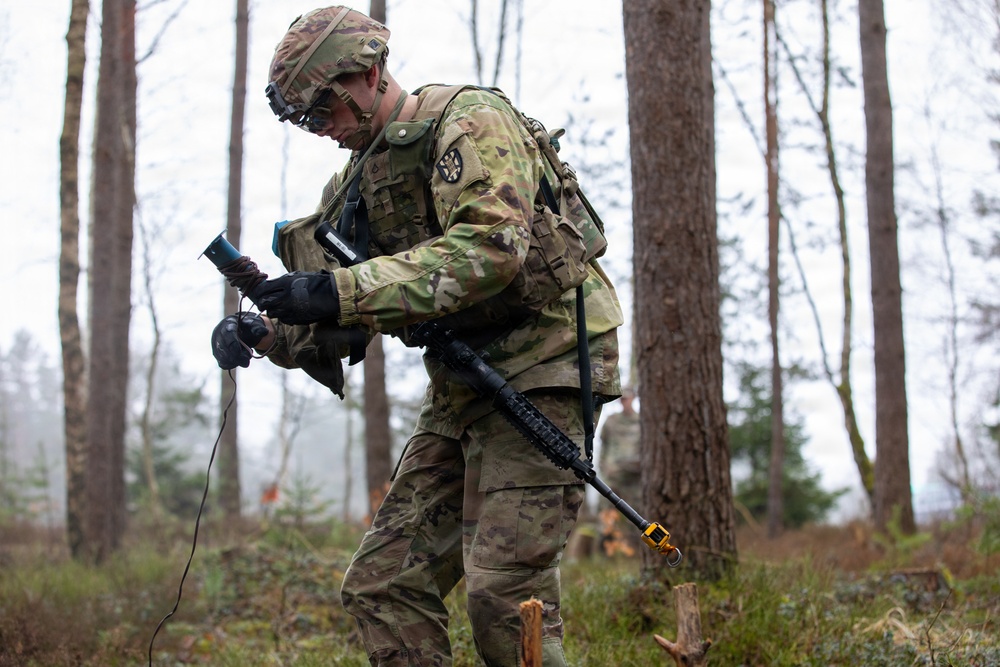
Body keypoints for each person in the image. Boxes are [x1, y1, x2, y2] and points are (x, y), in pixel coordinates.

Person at [210, 6, 623, 666]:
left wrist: (337, 290)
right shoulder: (355, 185)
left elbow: (492, 248)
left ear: (369, 73)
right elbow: (334, 315)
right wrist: (261, 332)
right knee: (383, 586)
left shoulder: (468, 120)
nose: (322, 130)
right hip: (462, 390)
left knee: (503, 596)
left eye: (324, 110)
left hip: (544, 369)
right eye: (306, 121)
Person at [597, 387, 641, 556]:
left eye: (627, 399)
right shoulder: (611, 421)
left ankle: (632, 552)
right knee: (607, 513)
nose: (625, 402)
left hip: (633, 478)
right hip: (612, 476)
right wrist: (603, 467)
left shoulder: (641, 422)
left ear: (634, 399)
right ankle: (608, 553)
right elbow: (604, 445)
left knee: (634, 514)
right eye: (622, 399)